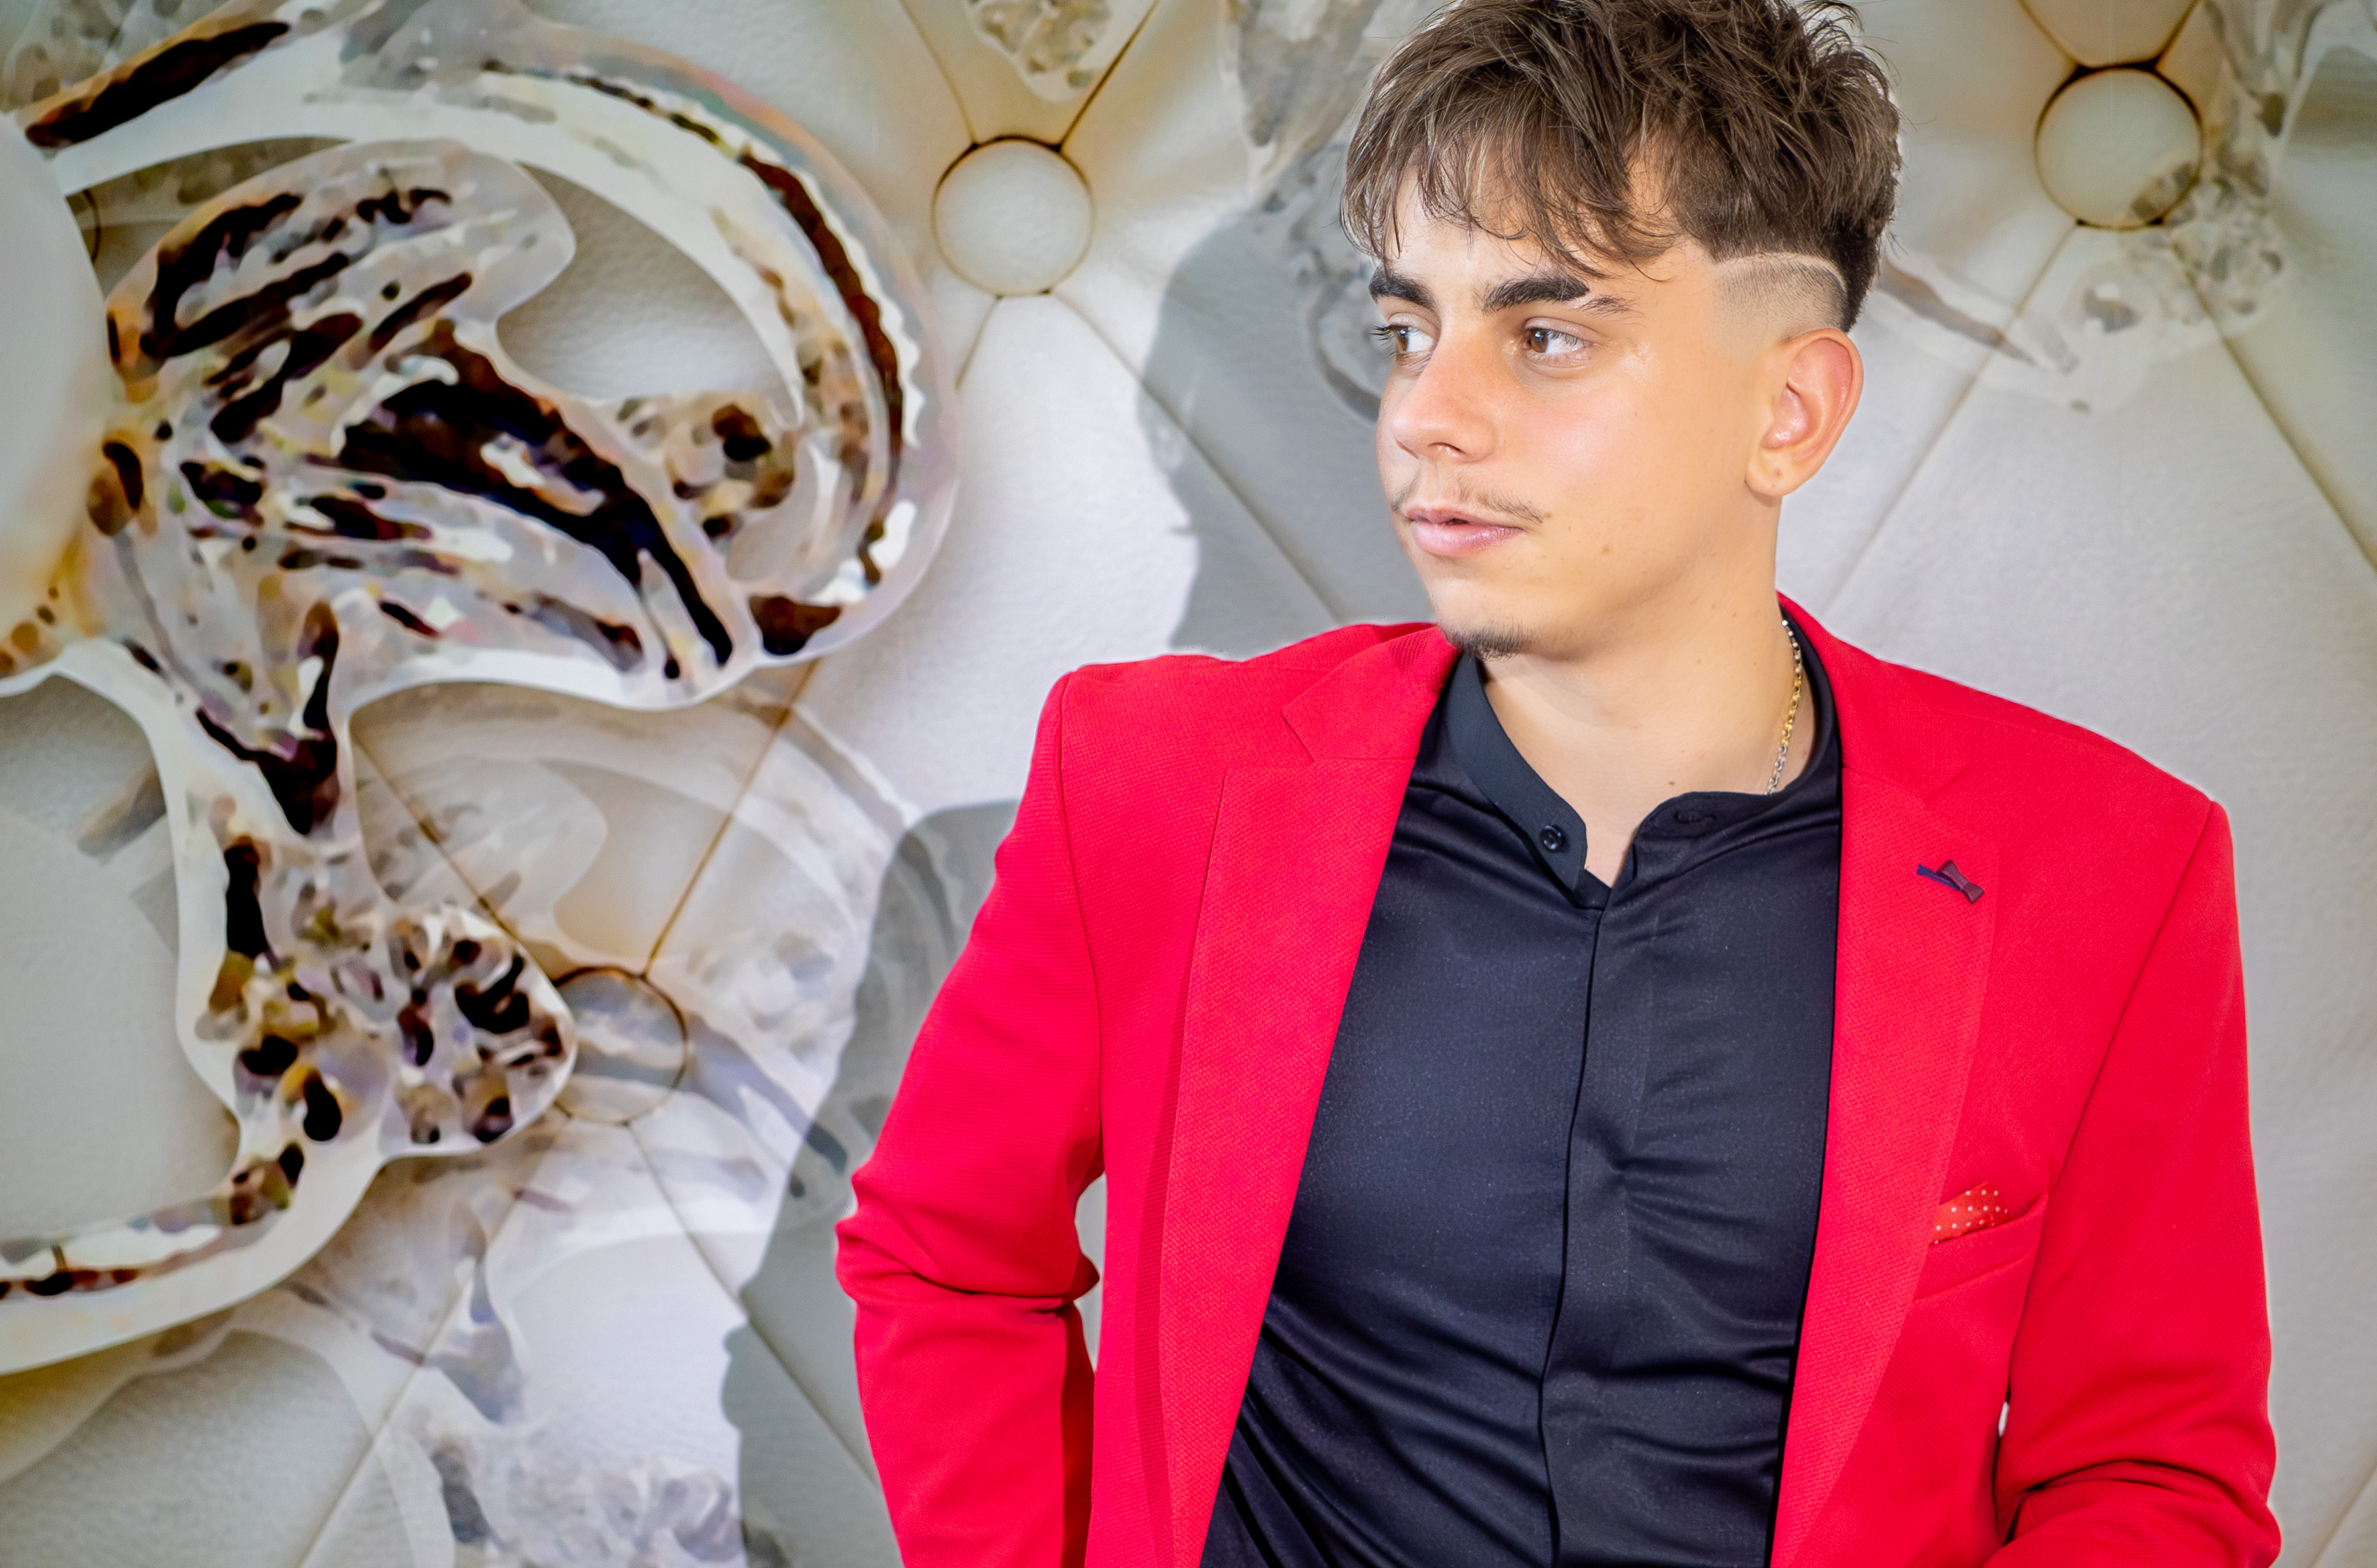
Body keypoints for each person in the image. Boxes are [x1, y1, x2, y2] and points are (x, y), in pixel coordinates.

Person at [836, 0, 2278, 1561]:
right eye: (1409, 330)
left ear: (1787, 412)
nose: (1425, 415)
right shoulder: (1154, 784)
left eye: (1545, 335)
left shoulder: (2106, 869)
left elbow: (2149, 1469)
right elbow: (945, 1256)